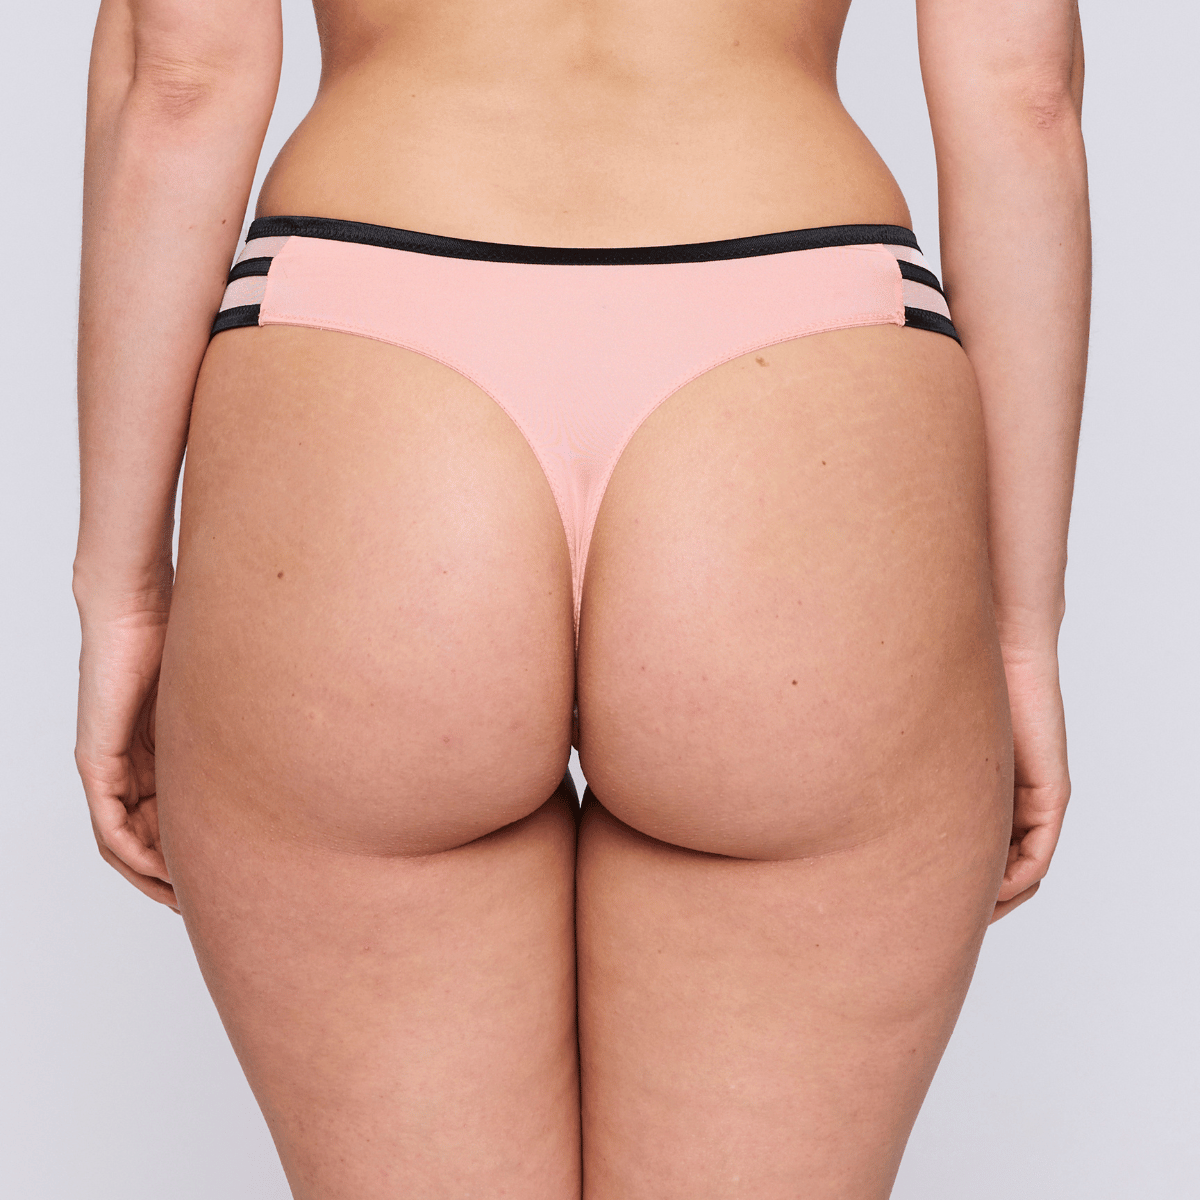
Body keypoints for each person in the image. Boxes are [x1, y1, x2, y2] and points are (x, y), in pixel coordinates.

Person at [73, 0, 1089, 1195]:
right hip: (795, 373)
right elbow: (1023, 100)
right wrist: (1021, 633)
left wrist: (123, 596)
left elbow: (181, 80)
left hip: (372, 366)